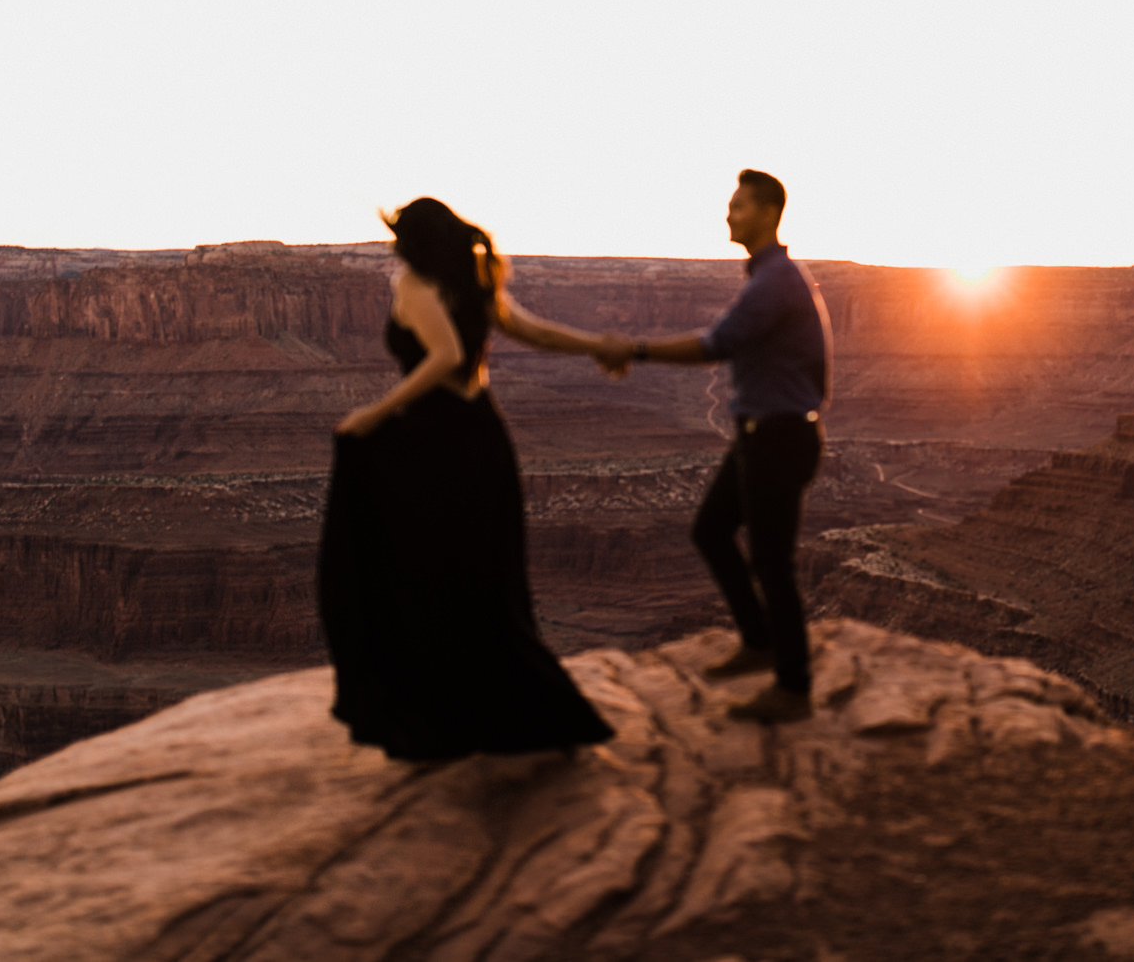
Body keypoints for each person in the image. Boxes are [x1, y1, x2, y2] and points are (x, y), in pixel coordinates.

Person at [319, 197, 616, 761]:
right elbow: (536, 332)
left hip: (437, 444)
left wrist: (371, 417)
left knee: (417, 575)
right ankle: (531, 715)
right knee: (486, 582)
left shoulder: (413, 286)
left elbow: (444, 357)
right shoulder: (476, 280)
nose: (393, 247)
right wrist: (597, 345)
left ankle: (438, 723)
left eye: (399, 237)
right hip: (484, 438)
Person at [597, 169, 832, 723]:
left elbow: (716, 344)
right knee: (711, 531)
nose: (729, 215)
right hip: (764, 433)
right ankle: (758, 641)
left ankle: (793, 686)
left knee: (773, 561)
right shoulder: (771, 278)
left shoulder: (776, 282)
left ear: (770, 213)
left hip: (777, 436)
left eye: (739, 206)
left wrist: (635, 349)